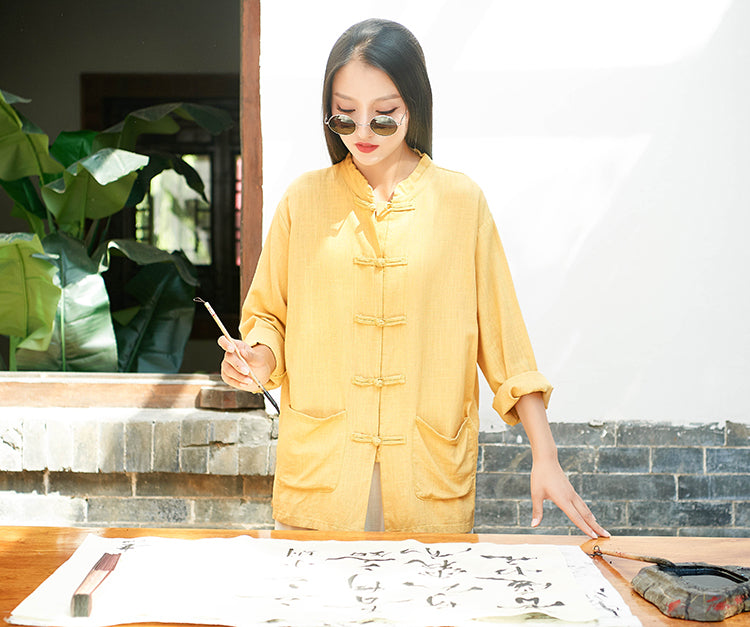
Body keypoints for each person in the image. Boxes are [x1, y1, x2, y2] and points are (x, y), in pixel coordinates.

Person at [220, 18, 609, 539]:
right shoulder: (302, 200)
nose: (362, 133)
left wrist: (547, 456)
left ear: (414, 106)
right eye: (345, 115)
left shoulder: (460, 203)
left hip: (428, 475)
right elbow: (269, 316)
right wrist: (258, 359)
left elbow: (506, 344)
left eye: (383, 116)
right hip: (320, 474)